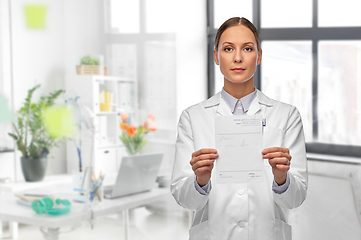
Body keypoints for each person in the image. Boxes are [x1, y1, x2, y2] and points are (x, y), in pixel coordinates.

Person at [171, 17, 308, 240]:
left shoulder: (287, 115)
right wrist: (200, 181)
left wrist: (282, 178)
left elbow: (295, 199)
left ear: (259, 56)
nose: (237, 57)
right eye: (228, 49)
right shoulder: (192, 117)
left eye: (247, 48)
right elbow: (185, 200)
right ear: (216, 56)